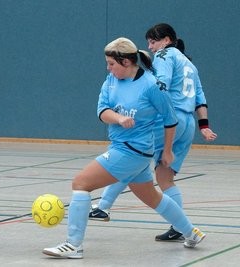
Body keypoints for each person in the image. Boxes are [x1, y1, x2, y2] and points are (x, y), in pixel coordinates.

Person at [43, 37, 205, 259]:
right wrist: (118, 118)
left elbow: (170, 119)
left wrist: (167, 151)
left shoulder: (151, 85)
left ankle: (74, 245)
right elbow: (102, 111)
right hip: (125, 147)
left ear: (126, 62)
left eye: (111, 63)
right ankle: (191, 232)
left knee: (80, 182)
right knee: (153, 198)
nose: (108, 68)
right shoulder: (110, 80)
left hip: (132, 150)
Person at [89, 23, 217, 242]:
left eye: (153, 41)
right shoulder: (190, 65)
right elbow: (200, 98)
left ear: (166, 40)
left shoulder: (166, 55)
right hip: (187, 123)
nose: (150, 46)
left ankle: (103, 206)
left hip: (169, 119)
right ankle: (180, 226)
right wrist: (204, 125)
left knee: (130, 155)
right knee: (164, 176)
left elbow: (161, 86)